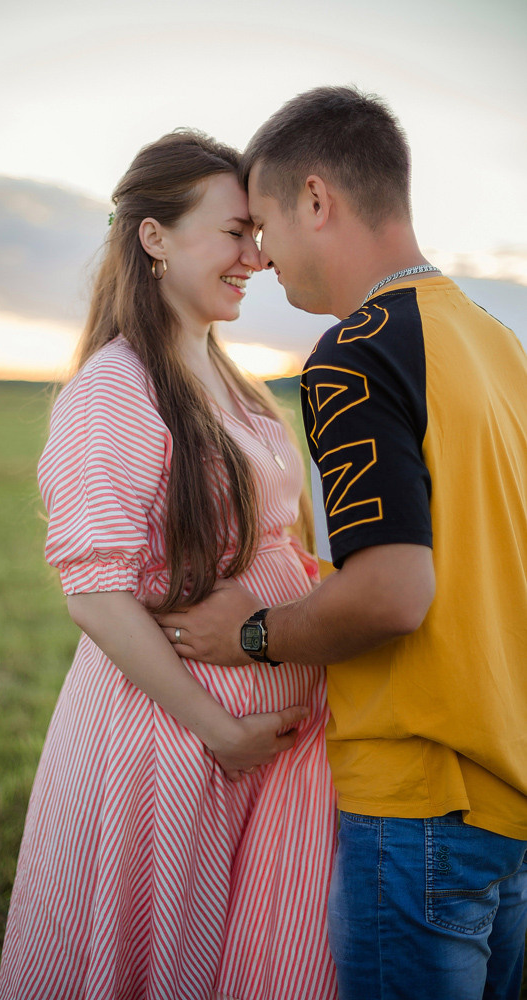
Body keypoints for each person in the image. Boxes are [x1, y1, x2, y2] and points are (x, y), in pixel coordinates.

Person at [155, 88, 527, 999]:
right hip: (510, 791)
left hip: (418, 804)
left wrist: (252, 631)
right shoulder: (494, 342)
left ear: (316, 199)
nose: (262, 255)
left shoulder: (355, 353)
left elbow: (394, 594)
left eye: (268, 221)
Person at [0, 130, 338, 1000]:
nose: (255, 258)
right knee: (160, 965)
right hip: (172, 748)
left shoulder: (233, 381)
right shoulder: (115, 389)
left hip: (259, 749)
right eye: (234, 232)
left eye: (257, 234)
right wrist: (219, 731)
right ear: (155, 237)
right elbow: (96, 595)